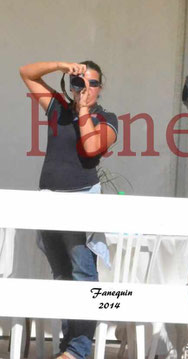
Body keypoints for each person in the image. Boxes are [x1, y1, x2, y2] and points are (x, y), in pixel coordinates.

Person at [19, 60, 118, 359]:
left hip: (82, 202)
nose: (85, 88)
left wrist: (84, 109)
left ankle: (78, 350)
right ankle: (68, 346)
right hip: (49, 203)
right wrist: (62, 65)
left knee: (82, 275)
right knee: (62, 277)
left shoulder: (107, 118)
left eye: (93, 83)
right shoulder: (58, 109)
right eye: (80, 81)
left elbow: (90, 148)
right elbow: (26, 72)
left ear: (101, 89)